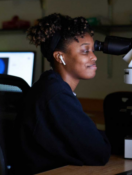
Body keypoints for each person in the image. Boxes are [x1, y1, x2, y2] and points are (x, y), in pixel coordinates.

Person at [15, 13, 111, 174]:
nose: (94, 57)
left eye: (93, 50)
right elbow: (99, 153)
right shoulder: (56, 95)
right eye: (85, 51)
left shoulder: (51, 87)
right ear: (60, 57)